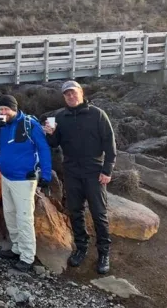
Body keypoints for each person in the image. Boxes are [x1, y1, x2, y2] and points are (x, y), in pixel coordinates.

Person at [45, 80, 116, 275]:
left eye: (73, 93)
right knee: (75, 211)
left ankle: (104, 253)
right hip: (71, 170)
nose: (70, 96)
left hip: (94, 169)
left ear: (81, 93)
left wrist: (107, 170)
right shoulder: (60, 116)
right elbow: (54, 143)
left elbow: (110, 144)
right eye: (67, 94)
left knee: (99, 213)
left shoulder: (97, 114)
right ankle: (81, 247)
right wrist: (49, 134)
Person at [0, 95, 52, 272]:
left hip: (24, 179)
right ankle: (17, 248)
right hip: (6, 177)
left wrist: (46, 175)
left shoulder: (29, 124)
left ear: (14, 109)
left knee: (24, 217)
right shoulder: (1, 125)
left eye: (6, 110)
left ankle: (27, 257)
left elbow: (43, 149)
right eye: (0, 110)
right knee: (10, 214)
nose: (2, 113)